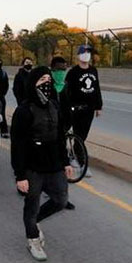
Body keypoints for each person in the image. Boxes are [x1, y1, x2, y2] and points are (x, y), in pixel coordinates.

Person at [10, 66, 74, 261]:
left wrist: (66, 162)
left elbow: (60, 138)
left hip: (54, 164)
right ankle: (33, 239)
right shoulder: (24, 110)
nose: (46, 83)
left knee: (61, 200)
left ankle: (34, 222)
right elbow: (17, 145)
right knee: (32, 204)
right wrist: (20, 175)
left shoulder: (54, 106)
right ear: (33, 84)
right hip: (32, 167)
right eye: (41, 80)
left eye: (48, 79)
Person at [64, 45, 103, 177]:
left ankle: (74, 156)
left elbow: (96, 88)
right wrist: (67, 106)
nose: (86, 55)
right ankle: (81, 162)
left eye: (88, 53)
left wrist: (99, 106)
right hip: (76, 109)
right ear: (79, 55)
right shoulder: (73, 72)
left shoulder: (93, 70)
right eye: (84, 52)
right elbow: (67, 91)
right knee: (78, 135)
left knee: (83, 136)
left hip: (89, 109)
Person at [49, 56, 76, 210]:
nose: (61, 72)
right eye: (58, 69)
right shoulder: (46, 85)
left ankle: (63, 198)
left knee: (61, 164)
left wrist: (69, 121)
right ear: (52, 69)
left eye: (64, 69)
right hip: (48, 129)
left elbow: (69, 104)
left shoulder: (66, 85)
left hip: (62, 128)